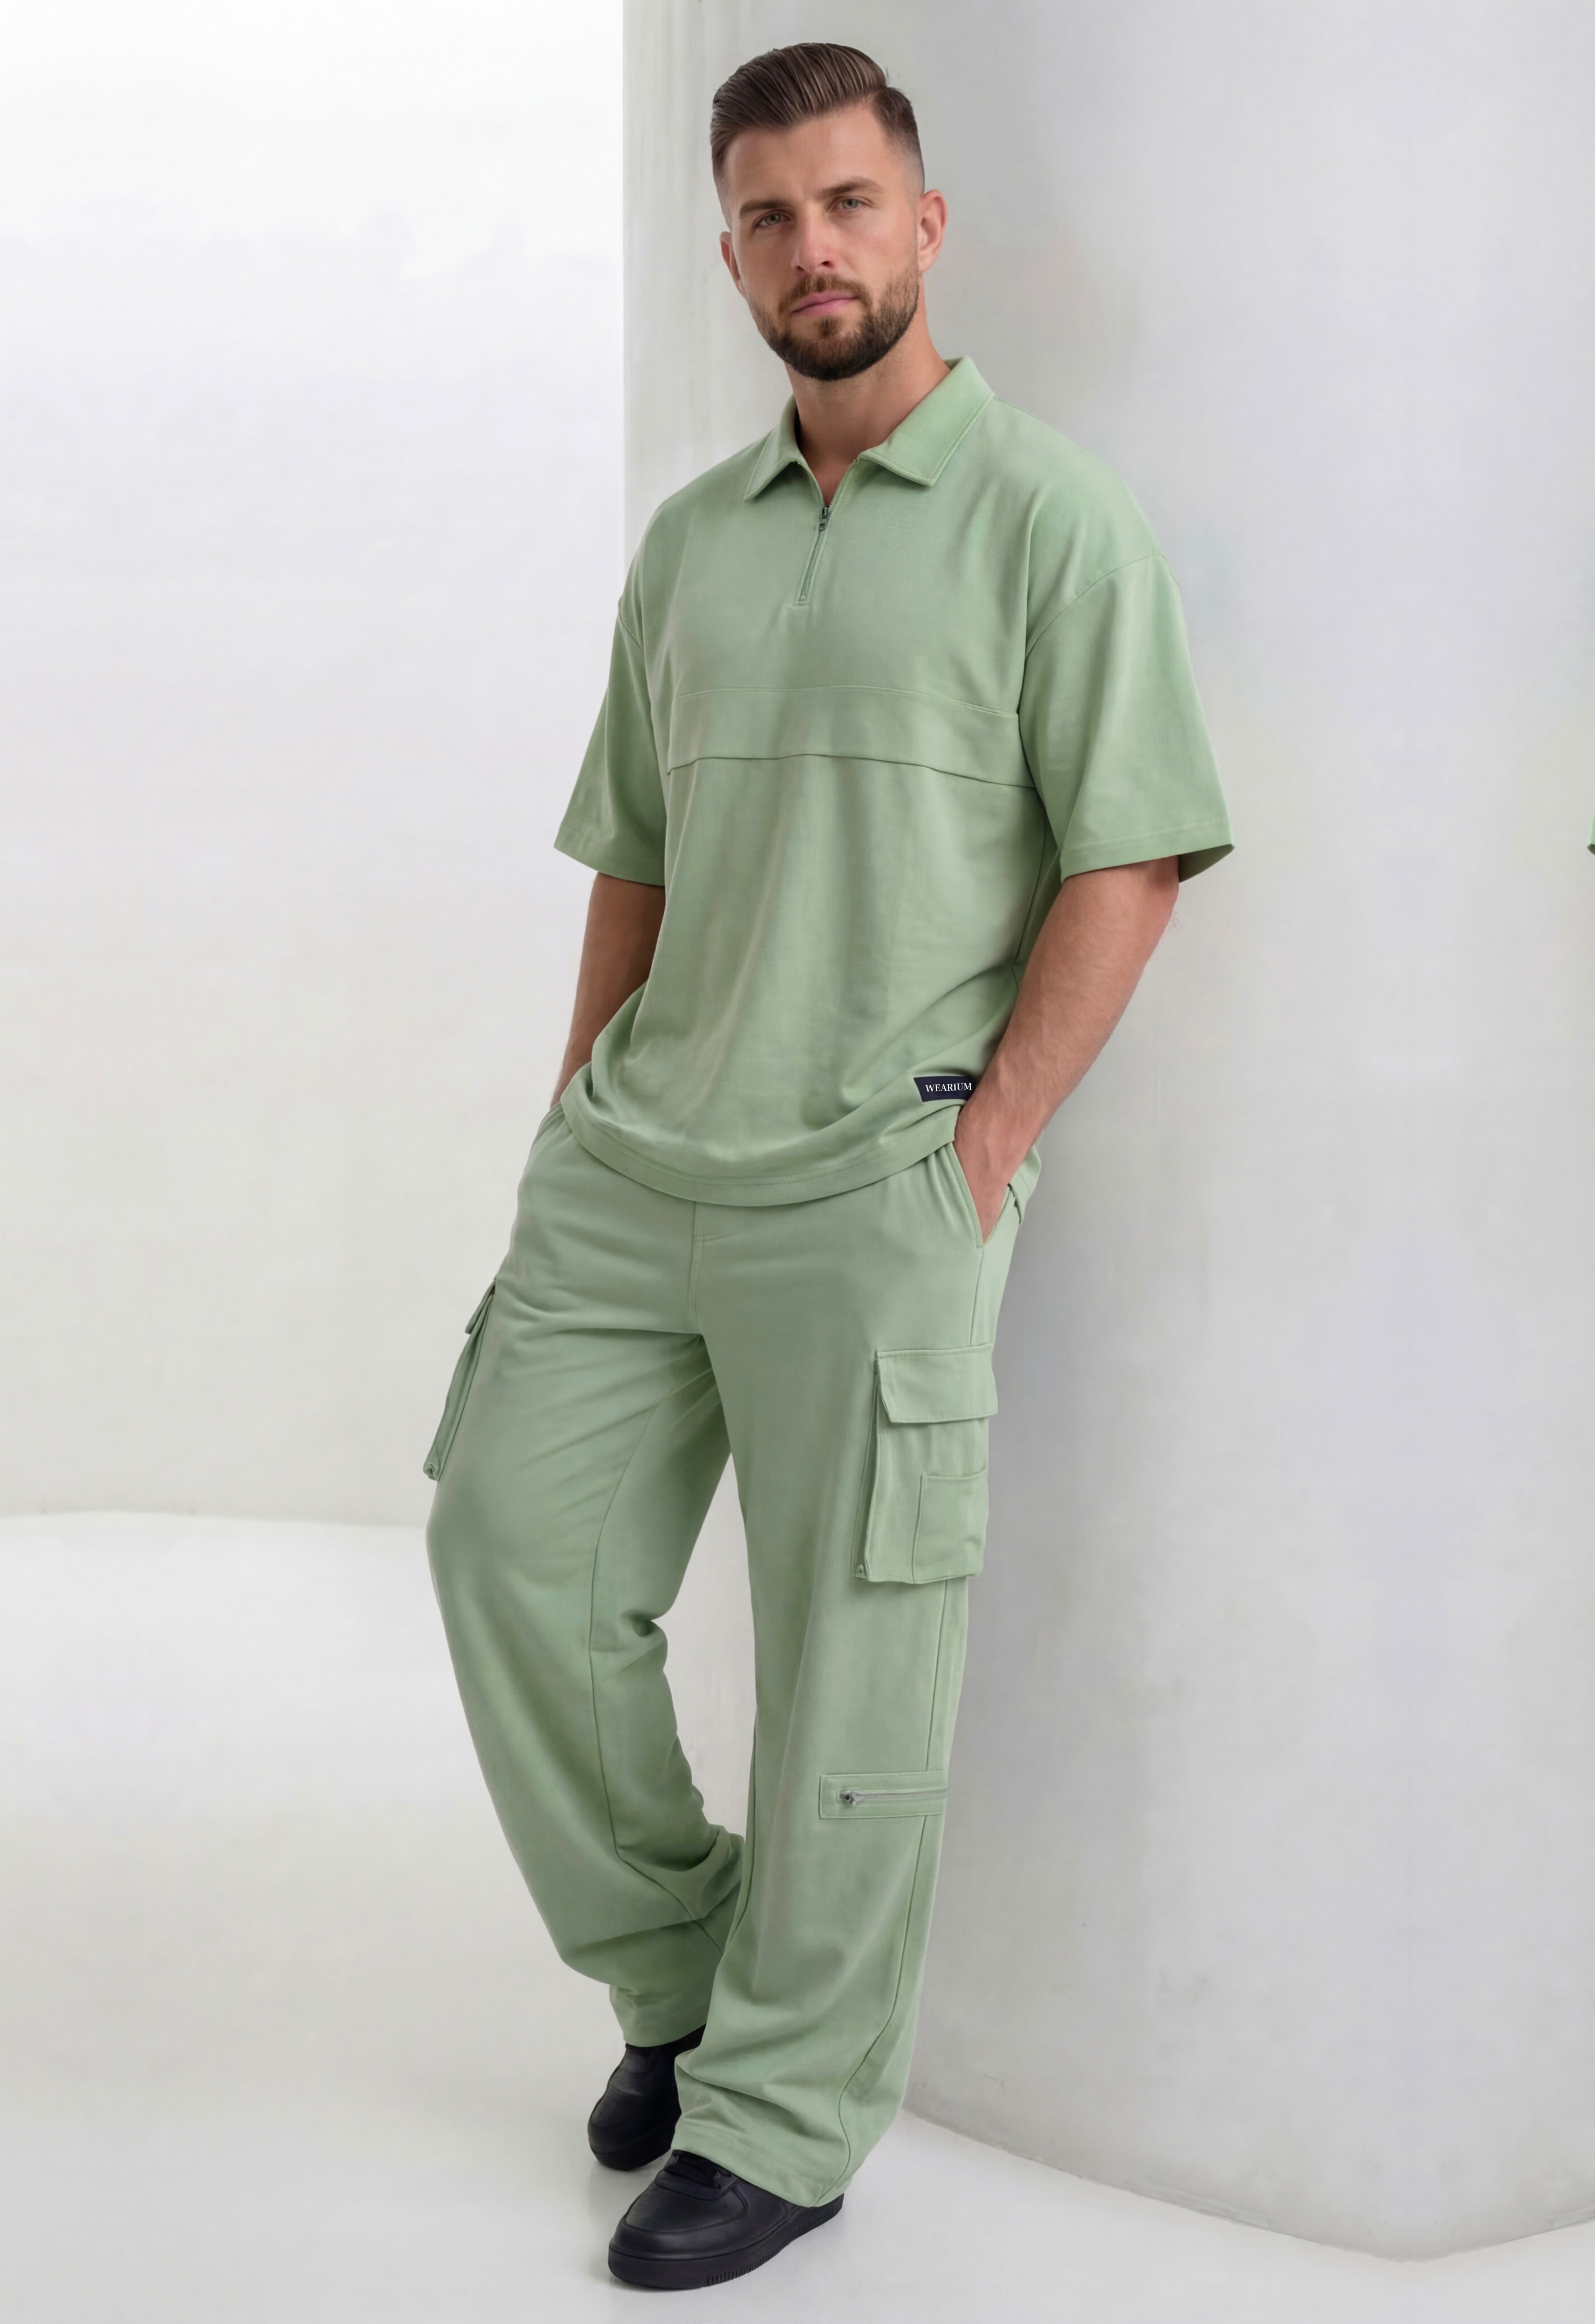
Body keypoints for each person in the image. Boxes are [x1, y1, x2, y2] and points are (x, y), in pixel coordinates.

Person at [422, 39, 1232, 2293]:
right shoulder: (691, 544)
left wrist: (987, 1148)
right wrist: (571, 1111)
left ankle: (782, 2119)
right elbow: (635, 852)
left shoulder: (1052, 520)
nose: (815, 247)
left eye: (851, 202)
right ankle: (681, 1979)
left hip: (875, 1185)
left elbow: (1132, 855)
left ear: (923, 224)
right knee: (507, 1553)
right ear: (732, 257)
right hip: (633, 1169)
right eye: (771, 216)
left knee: (851, 1672)